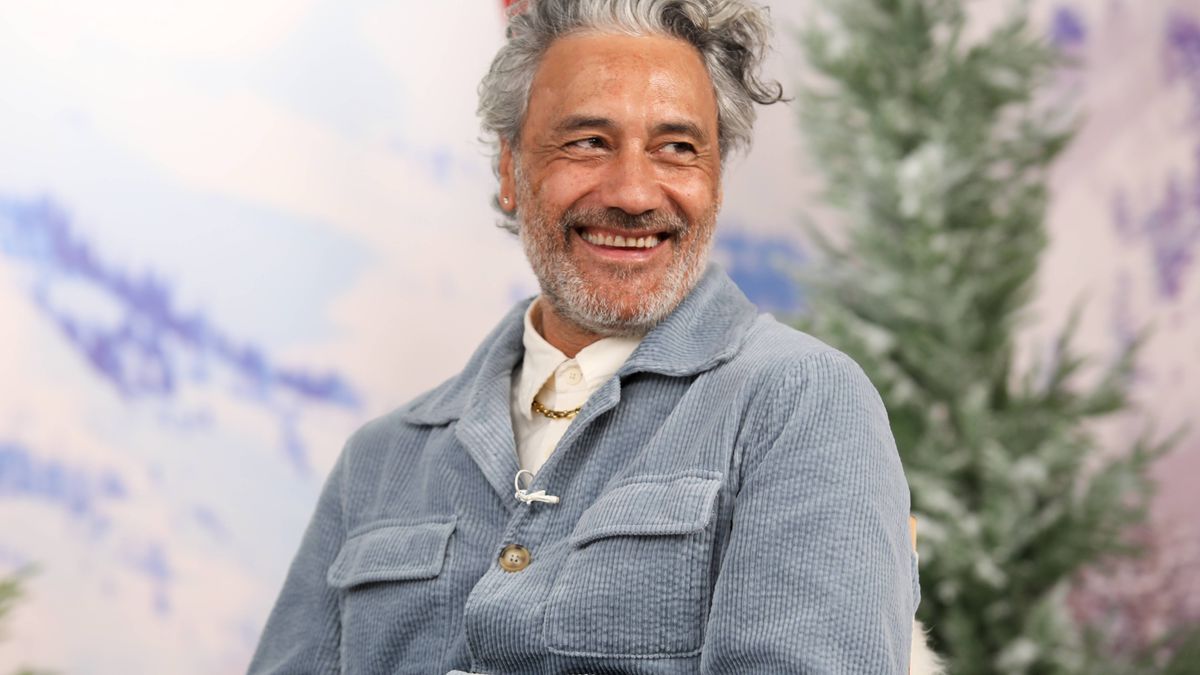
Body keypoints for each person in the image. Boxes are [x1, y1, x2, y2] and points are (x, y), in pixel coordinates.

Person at [249, 1, 919, 673]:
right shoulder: (376, 460)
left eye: (677, 148)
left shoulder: (801, 401)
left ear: (715, 179)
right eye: (589, 142)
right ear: (509, 170)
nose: (633, 193)